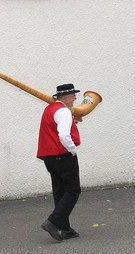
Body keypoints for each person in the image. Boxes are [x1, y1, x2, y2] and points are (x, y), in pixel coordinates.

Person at [37, 83, 82, 241]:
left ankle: (64, 228)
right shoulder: (63, 111)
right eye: (74, 95)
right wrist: (72, 150)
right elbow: (63, 135)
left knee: (60, 191)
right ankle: (52, 222)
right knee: (73, 191)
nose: (75, 98)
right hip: (62, 155)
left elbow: (54, 130)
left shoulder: (49, 109)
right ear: (67, 96)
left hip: (49, 157)